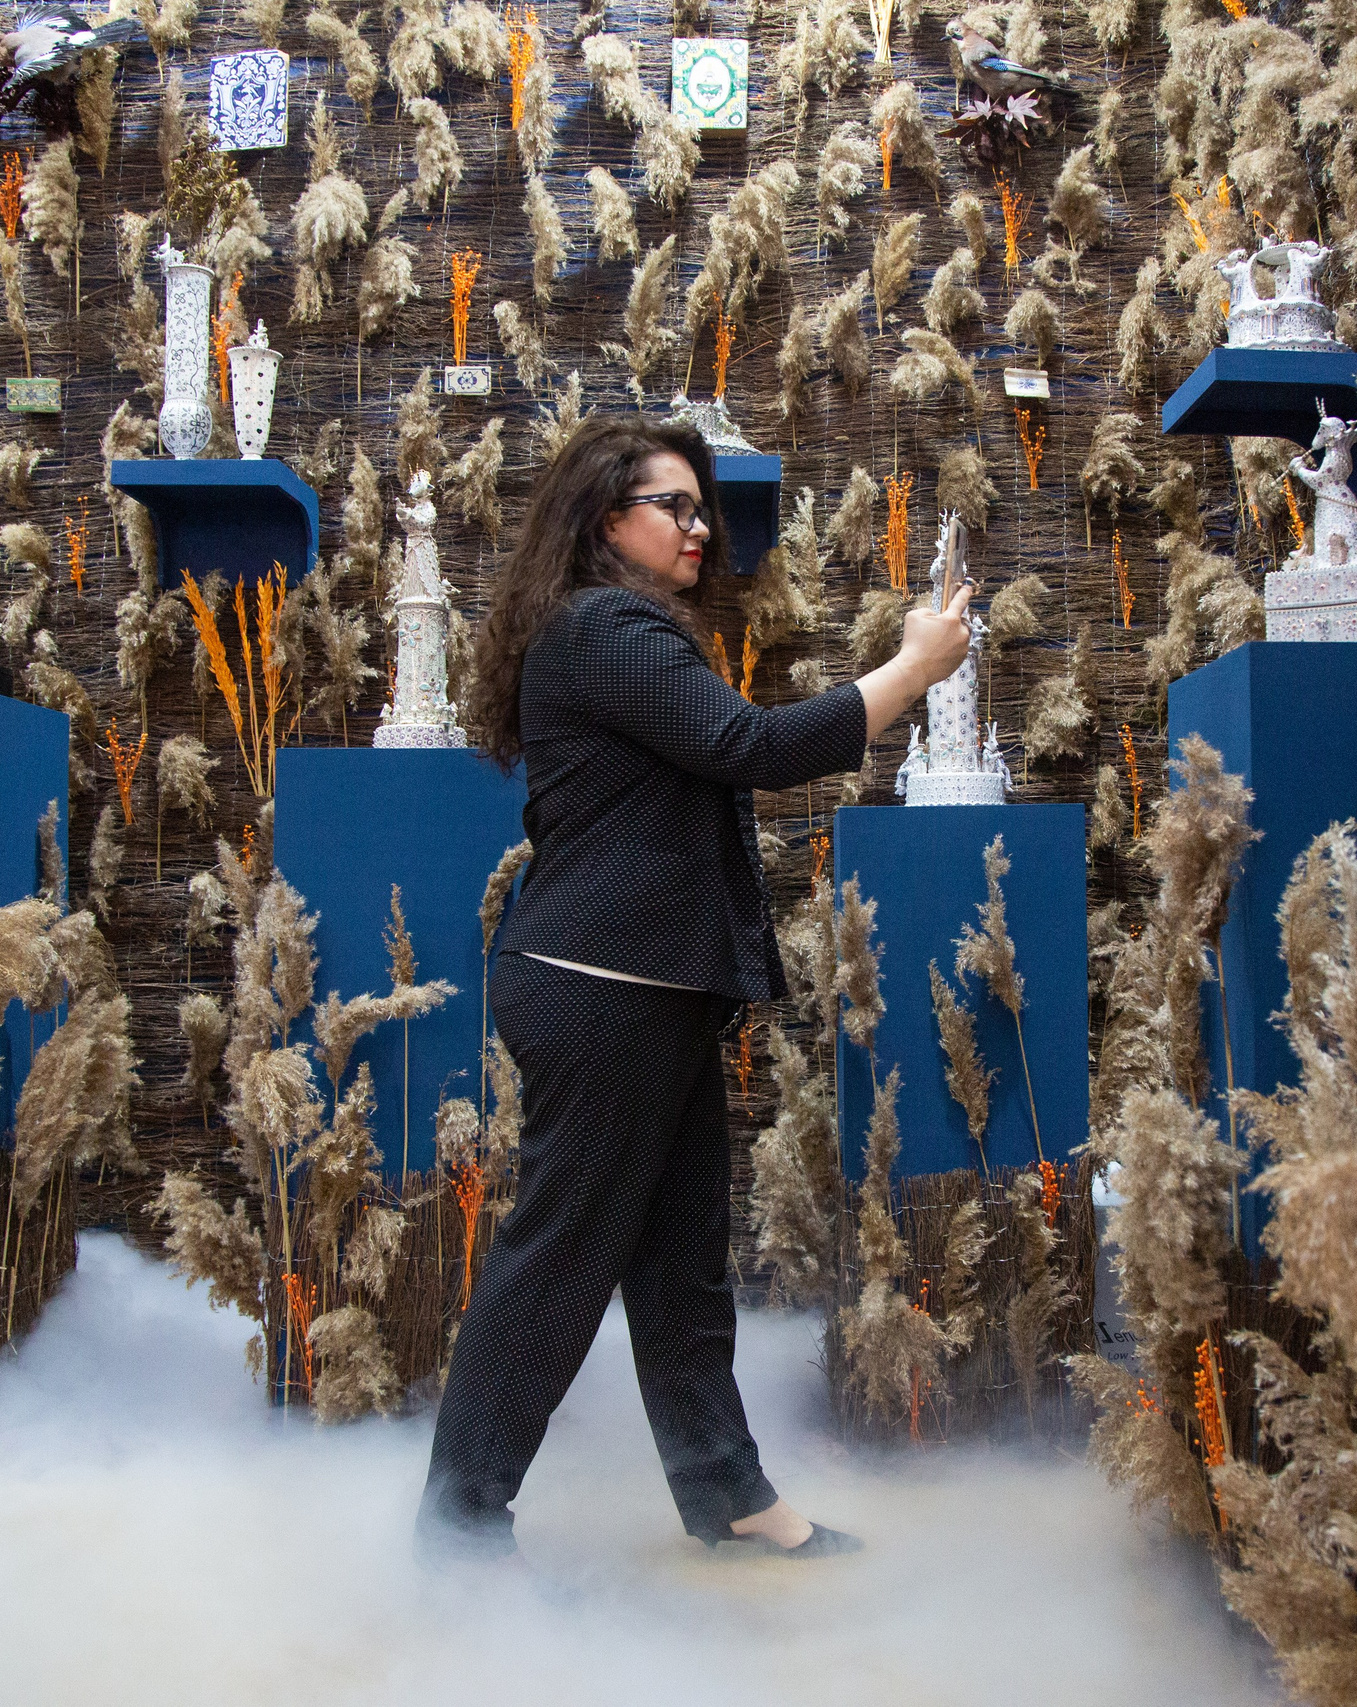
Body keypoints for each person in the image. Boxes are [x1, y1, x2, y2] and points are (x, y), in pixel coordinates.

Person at [419, 415, 974, 1563]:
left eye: (698, 505)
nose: (696, 526)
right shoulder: (604, 627)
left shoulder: (607, 632)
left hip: (640, 987)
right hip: (602, 987)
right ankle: (457, 1534)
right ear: (599, 520)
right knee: (557, 1265)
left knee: (679, 1266)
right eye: (668, 504)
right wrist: (911, 670)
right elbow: (750, 749)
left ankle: (727, 1496)